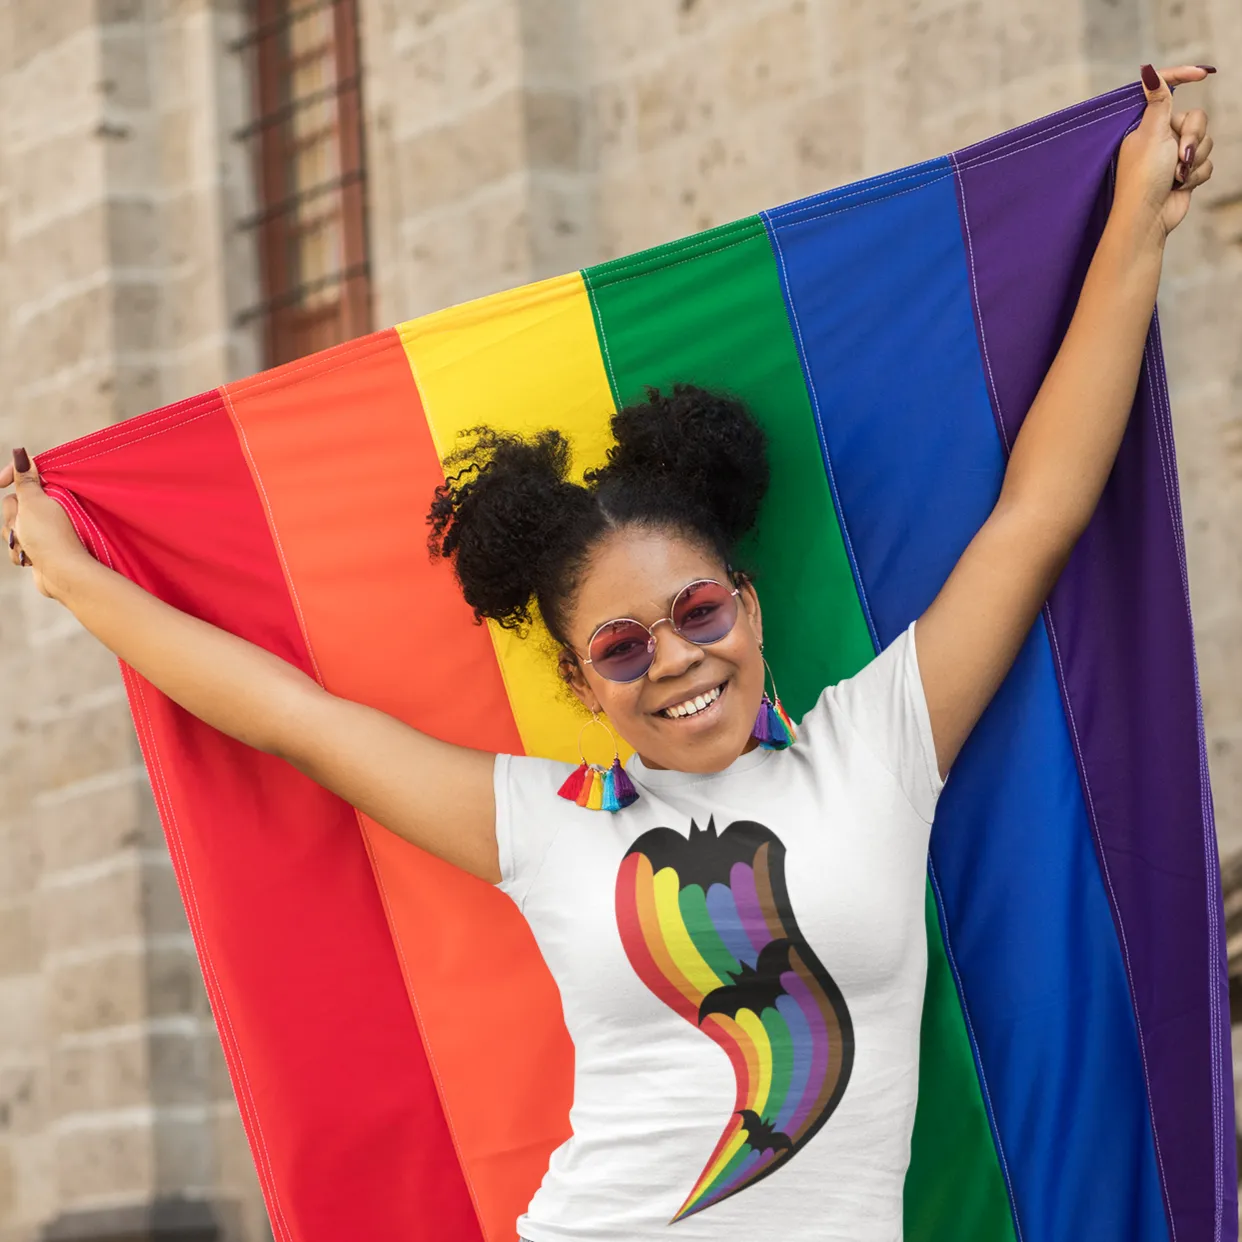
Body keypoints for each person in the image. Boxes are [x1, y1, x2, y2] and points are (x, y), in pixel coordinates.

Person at [2, 65, 1215, 1242]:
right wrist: (68, 574)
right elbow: (294, 719)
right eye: (624, 647)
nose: (679, 661)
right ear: (580, 681)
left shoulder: (877, 747)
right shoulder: (547, 822)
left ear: (748, 603)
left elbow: (1037, 515)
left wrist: (1134, 222)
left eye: (699, 614)